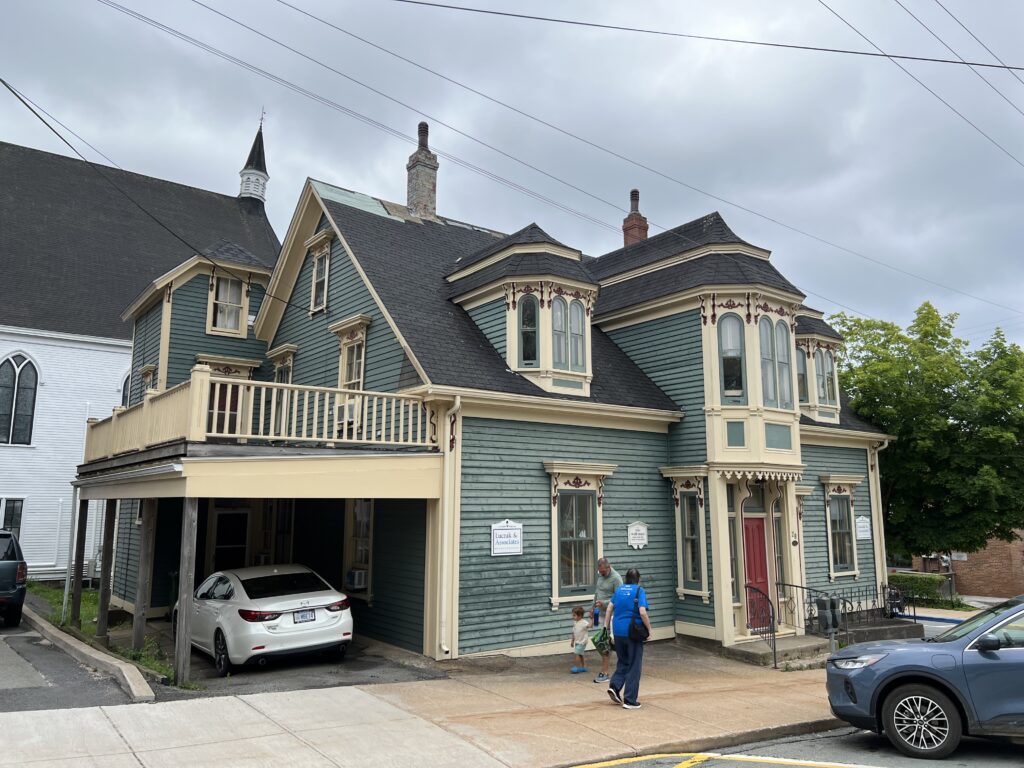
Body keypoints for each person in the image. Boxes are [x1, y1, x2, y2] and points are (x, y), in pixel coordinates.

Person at [604, 568, 652, 710]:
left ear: (626, 578)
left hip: (618, 631)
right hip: (632, 633)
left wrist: (606, 628)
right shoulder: (639, 590)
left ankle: (615, 686)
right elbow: (642, 612)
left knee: (623, 661)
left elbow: (609, 608)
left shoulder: (619, 590)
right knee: (634, 665)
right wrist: (649, 629)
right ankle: (630, 700)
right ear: (638, 579)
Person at [591, 557, 622, 683]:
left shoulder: (616, 578)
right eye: (600, 572)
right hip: (600, 613)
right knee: (605, 642)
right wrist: (592, 608)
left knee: (604, 642)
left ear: (609, 567)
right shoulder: (600, 576)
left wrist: (603, 603)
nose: (601, 574)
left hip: (611, 615)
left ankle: (605, 672)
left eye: (603, 572)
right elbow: (597, 593)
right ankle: (621, 667)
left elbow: (619, 598)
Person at [569, 605, 590, 673]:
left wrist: (592, 619)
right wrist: (572, 641)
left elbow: (590, 626)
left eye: (574, 615)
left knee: (577, 654)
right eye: (573, 615)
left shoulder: (584, 622)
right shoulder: (575, 622)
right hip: (577, 642)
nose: (573, 616)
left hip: (582, 642)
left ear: (580, 616)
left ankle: (576, 667)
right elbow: (574, 632)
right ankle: (584, 667)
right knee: (581, 654)